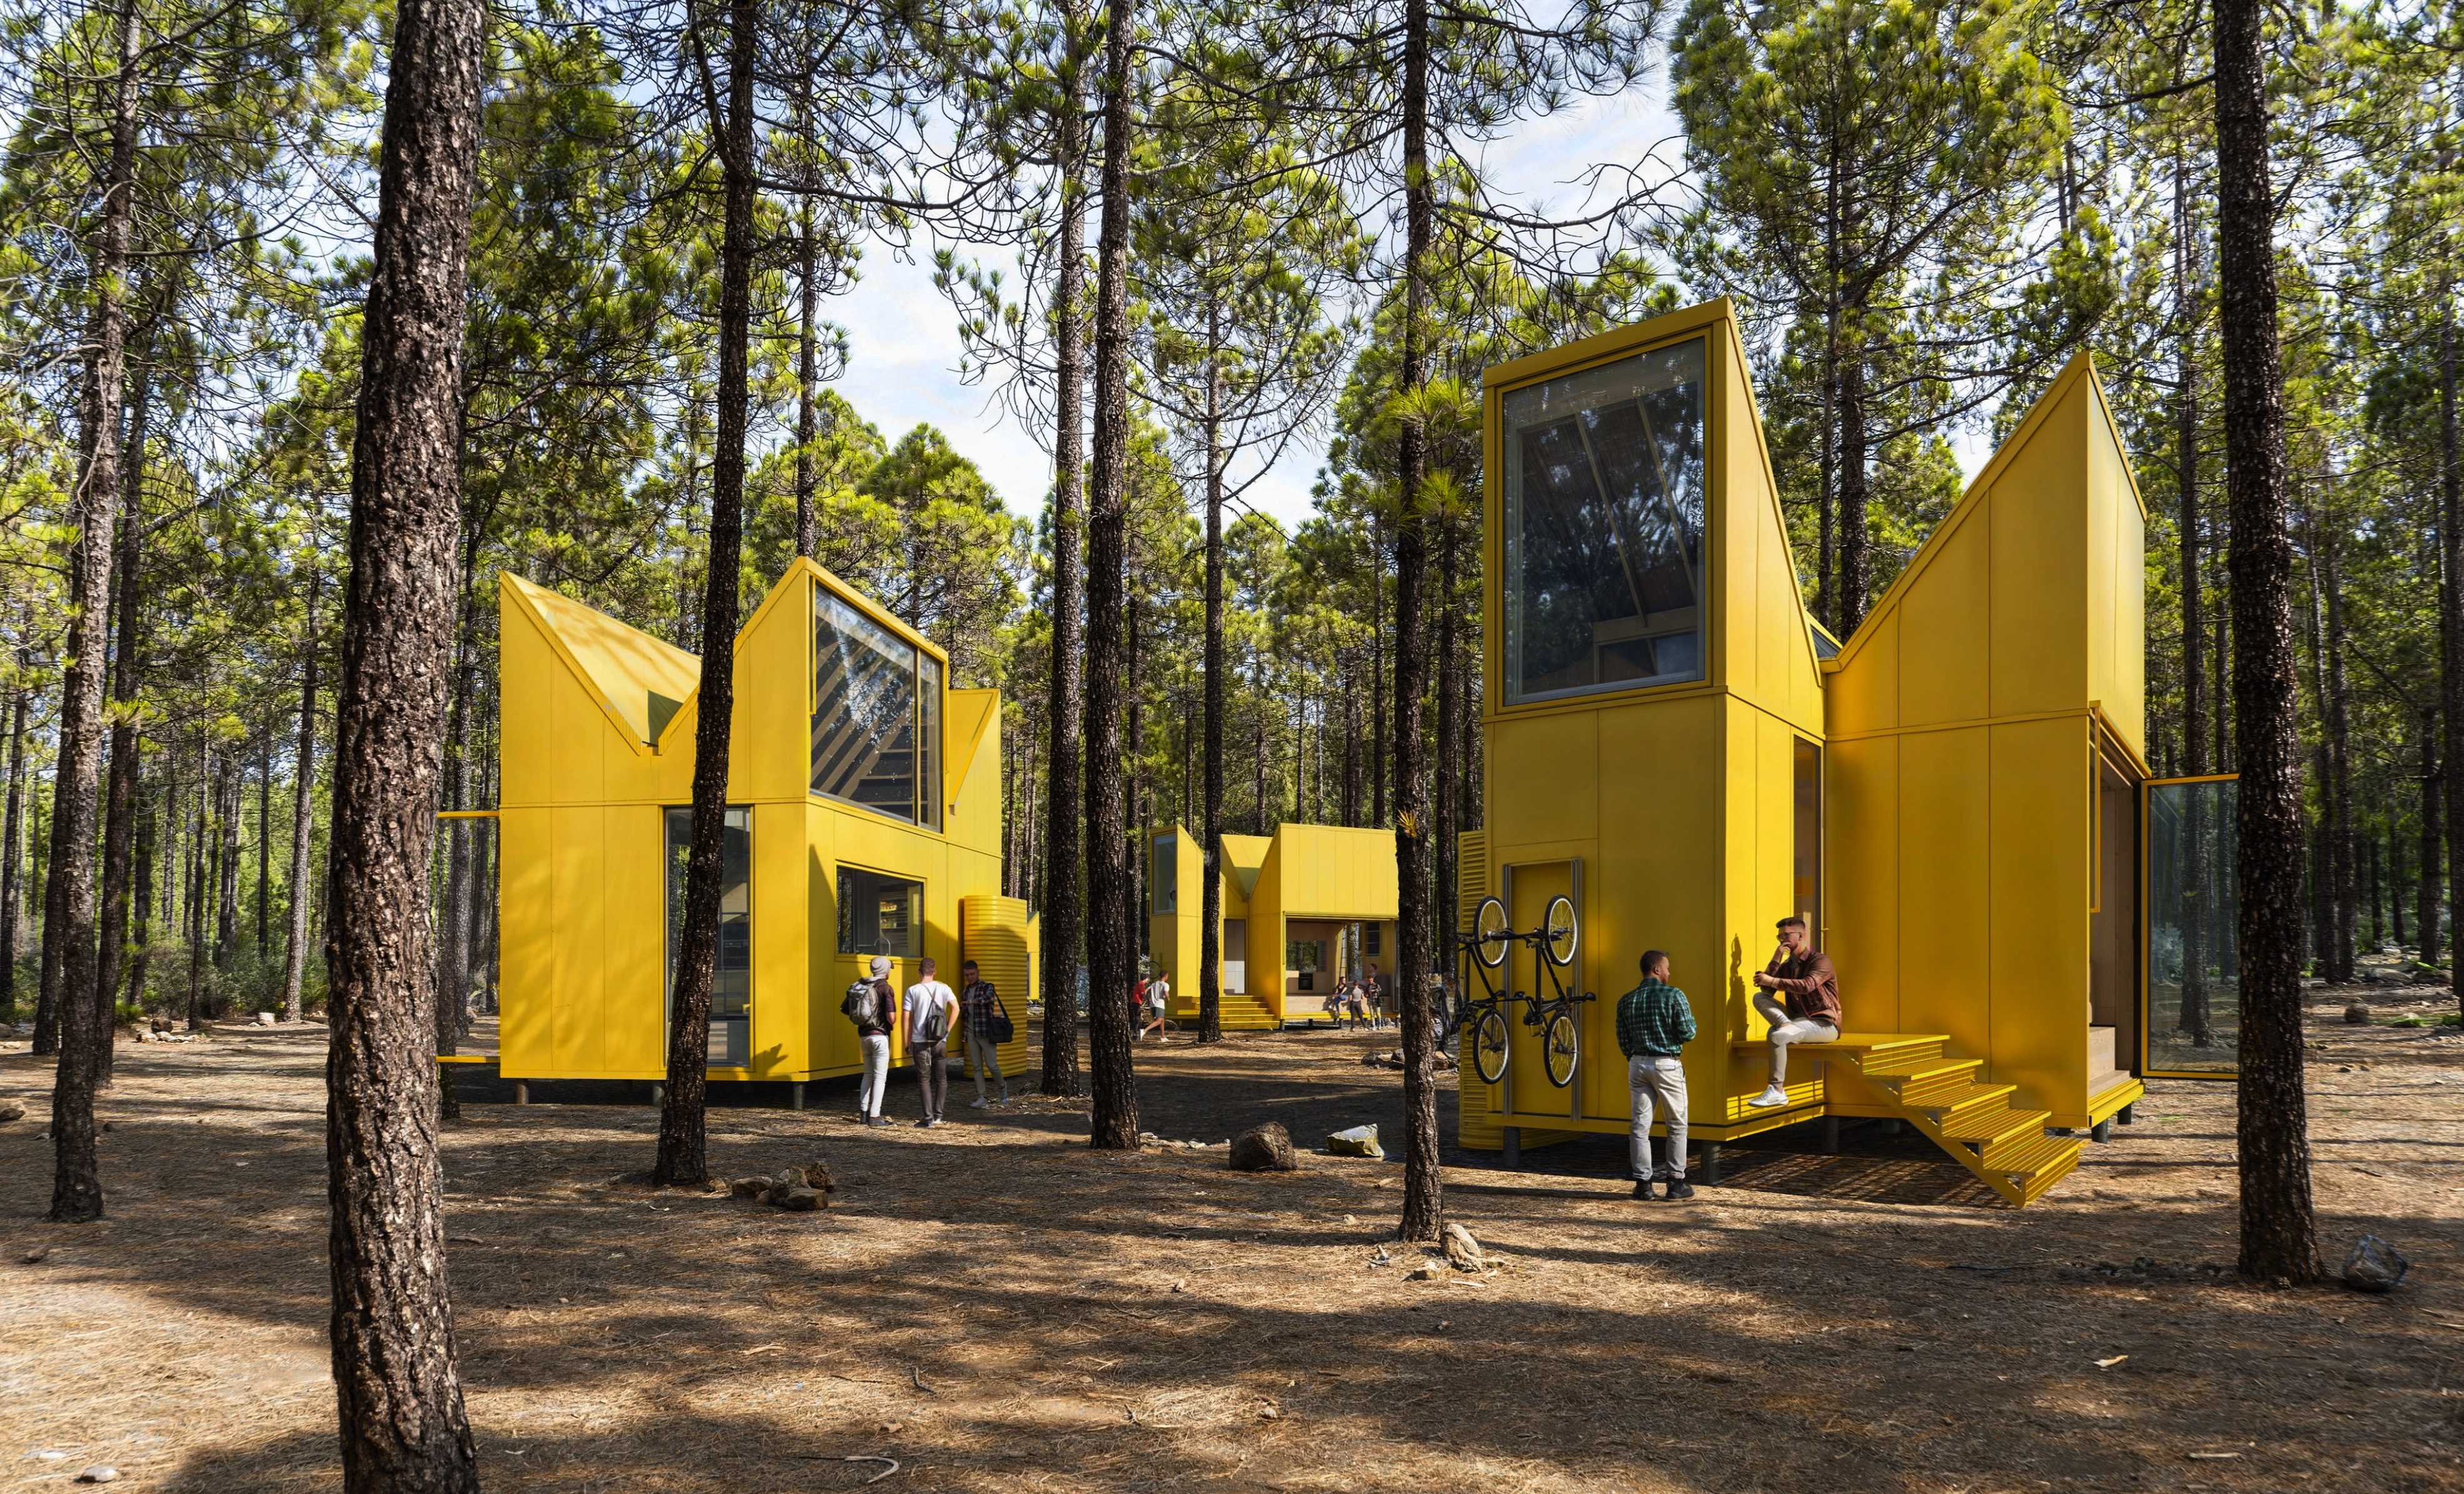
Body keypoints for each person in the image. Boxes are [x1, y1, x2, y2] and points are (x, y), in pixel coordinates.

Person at [1616, 950, 1696, 1200]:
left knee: (1640, 1127)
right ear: (1657, 969)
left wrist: (1636, 1057)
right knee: (1677, 1125)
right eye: (1668, 968)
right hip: (1666, 1063)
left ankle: (1644, 1186)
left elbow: (1623, 1038)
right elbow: (1689, 1032)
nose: (1669, 972)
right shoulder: (1674, 995)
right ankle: (1676, 1184)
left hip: (1638, 1064)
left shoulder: (1626, 1000)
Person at [1747, 915, 1841, 1108]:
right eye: (1779, 936)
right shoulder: (1787, 966)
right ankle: (1785, 1024)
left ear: (1801, 936)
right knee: (1759, 998)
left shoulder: (1820, 961)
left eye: (1786, 935)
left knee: (1776, 1035)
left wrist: (1771, 980)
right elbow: (1766, 990)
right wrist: (1776, 957)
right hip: (1795, 1020)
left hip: (1823, 1023)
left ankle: (1777, 1091)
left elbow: (1807, 985)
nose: (1783, 939)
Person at [904, 957, 958, 1128]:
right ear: (935, 972)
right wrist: (947, 1030)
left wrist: (907, 1042)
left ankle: (927, 1119)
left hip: (920, 1043)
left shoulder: (913, 991)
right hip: (940, 1041)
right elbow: (956, 1008)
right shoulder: (944, 988)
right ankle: (938, 1117)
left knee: (924, 1079)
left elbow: (907, 1018)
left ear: (919, 972)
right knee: (941, 1079)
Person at [849, 956, 896, 1127]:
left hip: (864, 1035)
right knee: (880, 1078)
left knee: (867, 1075)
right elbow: (892, 1018)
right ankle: (875, 1116)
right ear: (885, 970)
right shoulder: (885, 988)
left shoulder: (861, 984)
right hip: (880, 1036)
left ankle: (864, 1114)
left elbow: (847, 1009)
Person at [958, 959, 1009, 1108]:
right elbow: (965, 1013)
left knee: (992, 1065)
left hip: (986, 1032)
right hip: (971, 1032)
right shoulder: (965, 992)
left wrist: (971, 1002)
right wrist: (961, 1008)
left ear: (978, 973)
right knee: (976, 1066)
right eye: (967, 975)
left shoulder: (987, 987)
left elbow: (988, 998)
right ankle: (982, 1096)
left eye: (972, 974)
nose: (969, 977)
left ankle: (1002, 1088)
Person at [1139, 970, 1173, 1042]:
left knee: (1162, 1020)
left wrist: (1148, 1000)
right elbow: (1166, 993)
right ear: (1165, 976)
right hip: (1159, 1004)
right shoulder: (1165, 985)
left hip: (1153, 1004)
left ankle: (1163, 1037)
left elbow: (1145, 991)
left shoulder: (1154, 984)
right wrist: (1168, 999)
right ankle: (1144, 1031)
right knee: (1158, 1021)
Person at [1362, 963, 1385, 1032]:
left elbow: (1379, 989)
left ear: (1373, 980)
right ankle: (1373, 1026)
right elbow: (1366, 993)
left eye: (1371, 980)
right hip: (1370, 1001)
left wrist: (1373, 991)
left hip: (1376, 1001)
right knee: (1372, 1014)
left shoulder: (1376, 985)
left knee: (1378, 1014)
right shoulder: (1368, 986)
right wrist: (1366, 995)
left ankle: (1379, 1025)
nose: (1370, 982)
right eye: (1369, 981)